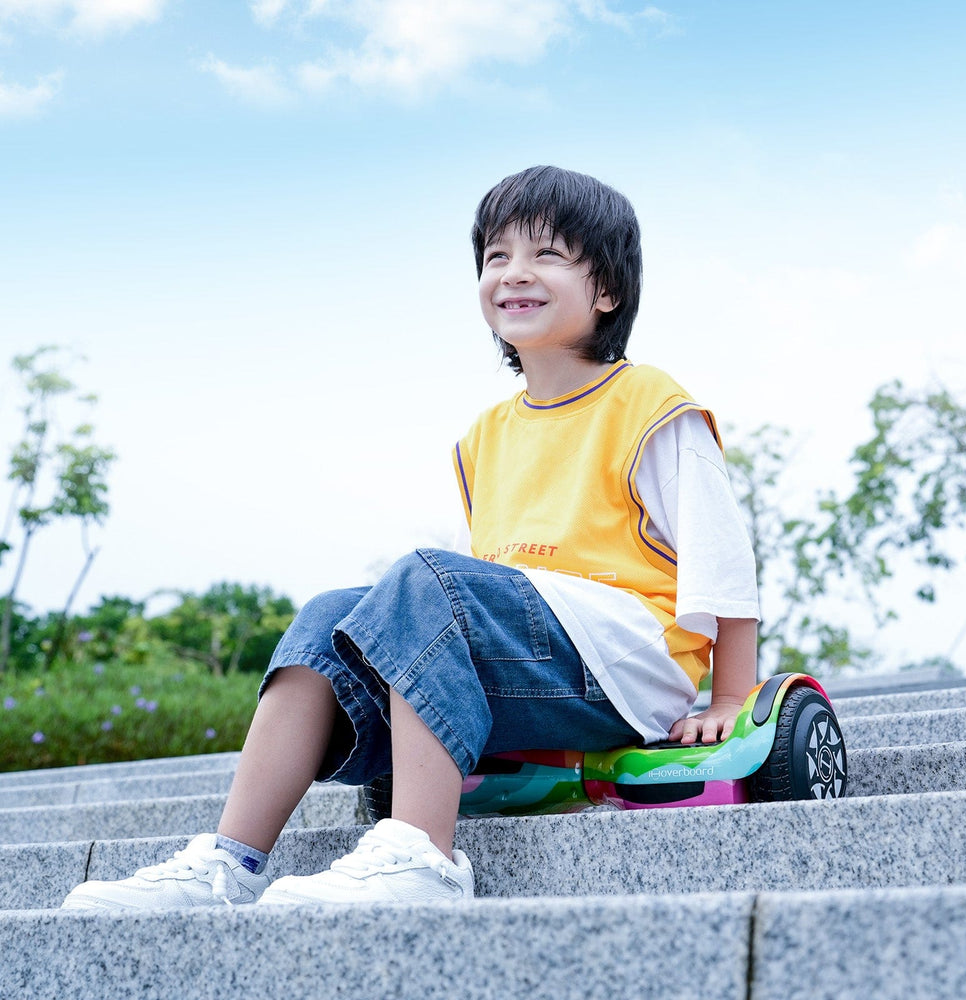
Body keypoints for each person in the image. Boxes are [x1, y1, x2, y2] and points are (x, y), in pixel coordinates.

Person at [62, 165, 759, 911]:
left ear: (607, 290)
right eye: (496, 257)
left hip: (626, 660)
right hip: (526, 661)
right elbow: (471, 588)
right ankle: (226, 865)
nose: (514, 273)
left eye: (547, 254)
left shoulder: (649, 400)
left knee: (424, 575)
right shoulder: (483, 436)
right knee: (330, 617)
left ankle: (421, 856)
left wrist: (730, 697)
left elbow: (721, 557)